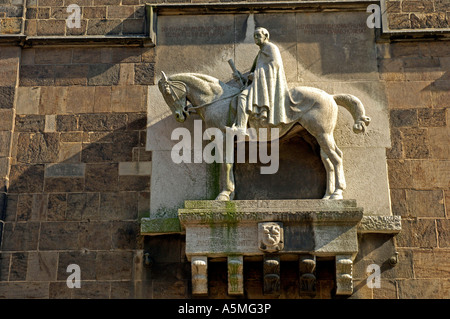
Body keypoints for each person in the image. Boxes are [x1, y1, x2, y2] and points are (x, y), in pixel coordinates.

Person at [231, 27, 289, 136]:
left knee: (243, 97)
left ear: (266, 36)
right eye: (254, 36)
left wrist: (256, 75)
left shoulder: (271, 48)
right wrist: (241, 77)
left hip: (267, 85)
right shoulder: (261, 53)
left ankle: (241, 128)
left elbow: (275, 65)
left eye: (258, 35)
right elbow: (252, 75)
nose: (255, 38)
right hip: (260, 84)